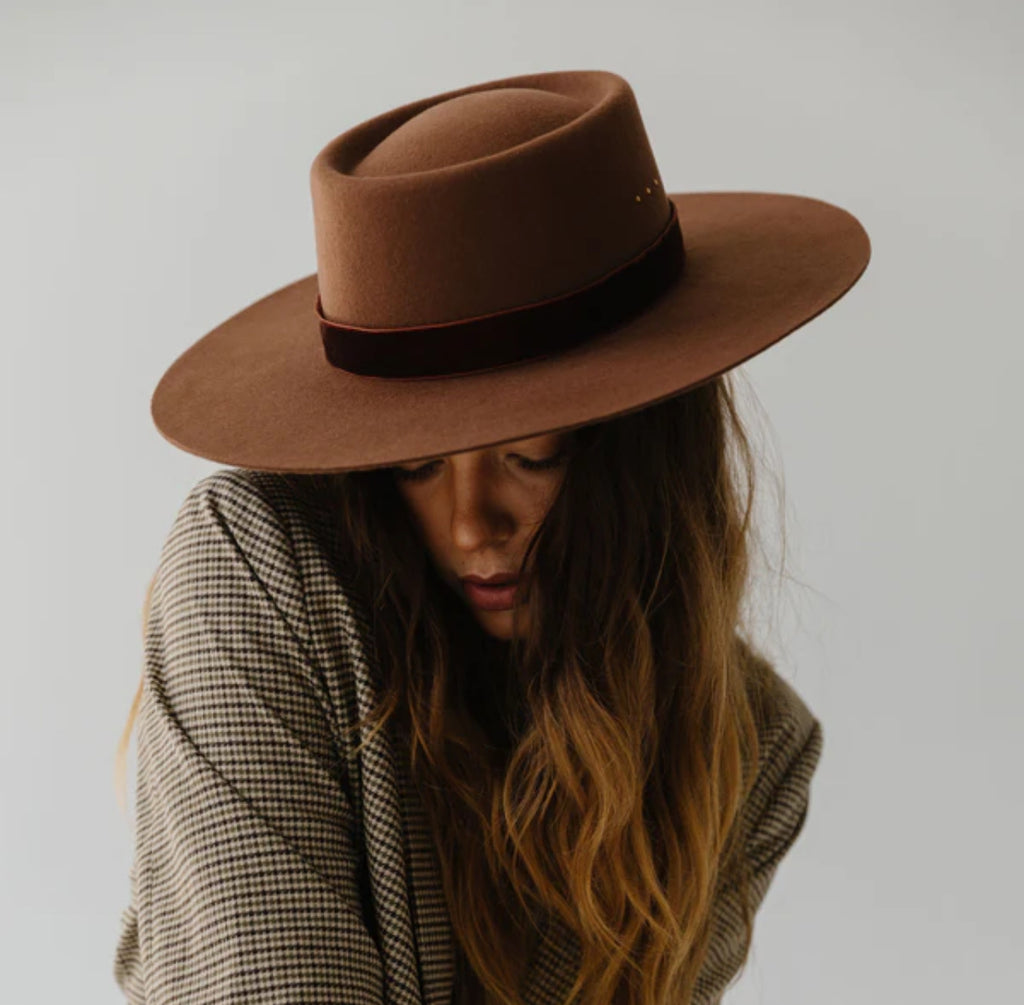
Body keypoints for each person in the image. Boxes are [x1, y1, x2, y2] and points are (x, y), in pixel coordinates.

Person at [112, 68, 870, 1005]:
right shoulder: (253, 572)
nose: (471, 522)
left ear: (644, 461)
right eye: (415, 464)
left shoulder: (747, 749)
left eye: (529, 455)